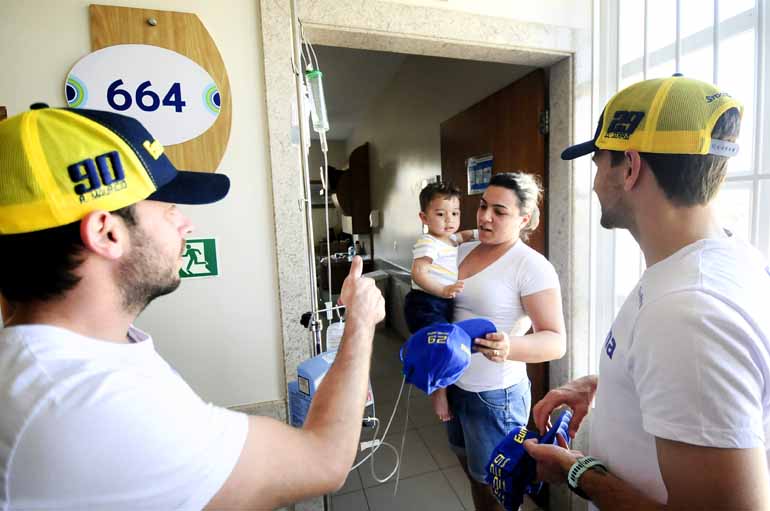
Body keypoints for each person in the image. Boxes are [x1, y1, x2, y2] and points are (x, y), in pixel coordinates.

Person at [0, 105, 385, 510]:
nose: (186, 224)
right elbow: (322, 460)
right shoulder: (98, 408)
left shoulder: (47, 362)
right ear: (107, 233)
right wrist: (359, 323)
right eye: (168, 208)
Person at [524, 76, 770, 510]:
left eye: (600, 162)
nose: (597, 179)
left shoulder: (686, 315)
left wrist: (575, 471)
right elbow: (697, 386)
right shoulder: (720, 258)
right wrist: (613, 382)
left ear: (631, 167)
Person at [446, 171, 567, 510]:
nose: (485, 216)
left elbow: (556, 341)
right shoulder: (463, 249)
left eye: (499, 211)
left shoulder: (531, 266)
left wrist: (510, 346)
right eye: (483, 206)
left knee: (497, 487)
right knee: (473, 477)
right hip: (455, 387)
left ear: (524, 219)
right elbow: (435, 240)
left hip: (495, 397)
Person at [404, 181, 475, 422]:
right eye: (440, 214)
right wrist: (443, 290)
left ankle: (443, 384)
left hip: (441, 301)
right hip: (426, 301)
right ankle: (438, 392)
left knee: (448, 345)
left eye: (454, 213)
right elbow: (419, 273)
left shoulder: (451, 240)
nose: (449, 220)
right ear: (424, 217)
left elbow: (464, 235)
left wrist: (481, 232)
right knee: (440, 347)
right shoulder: (428, 242)